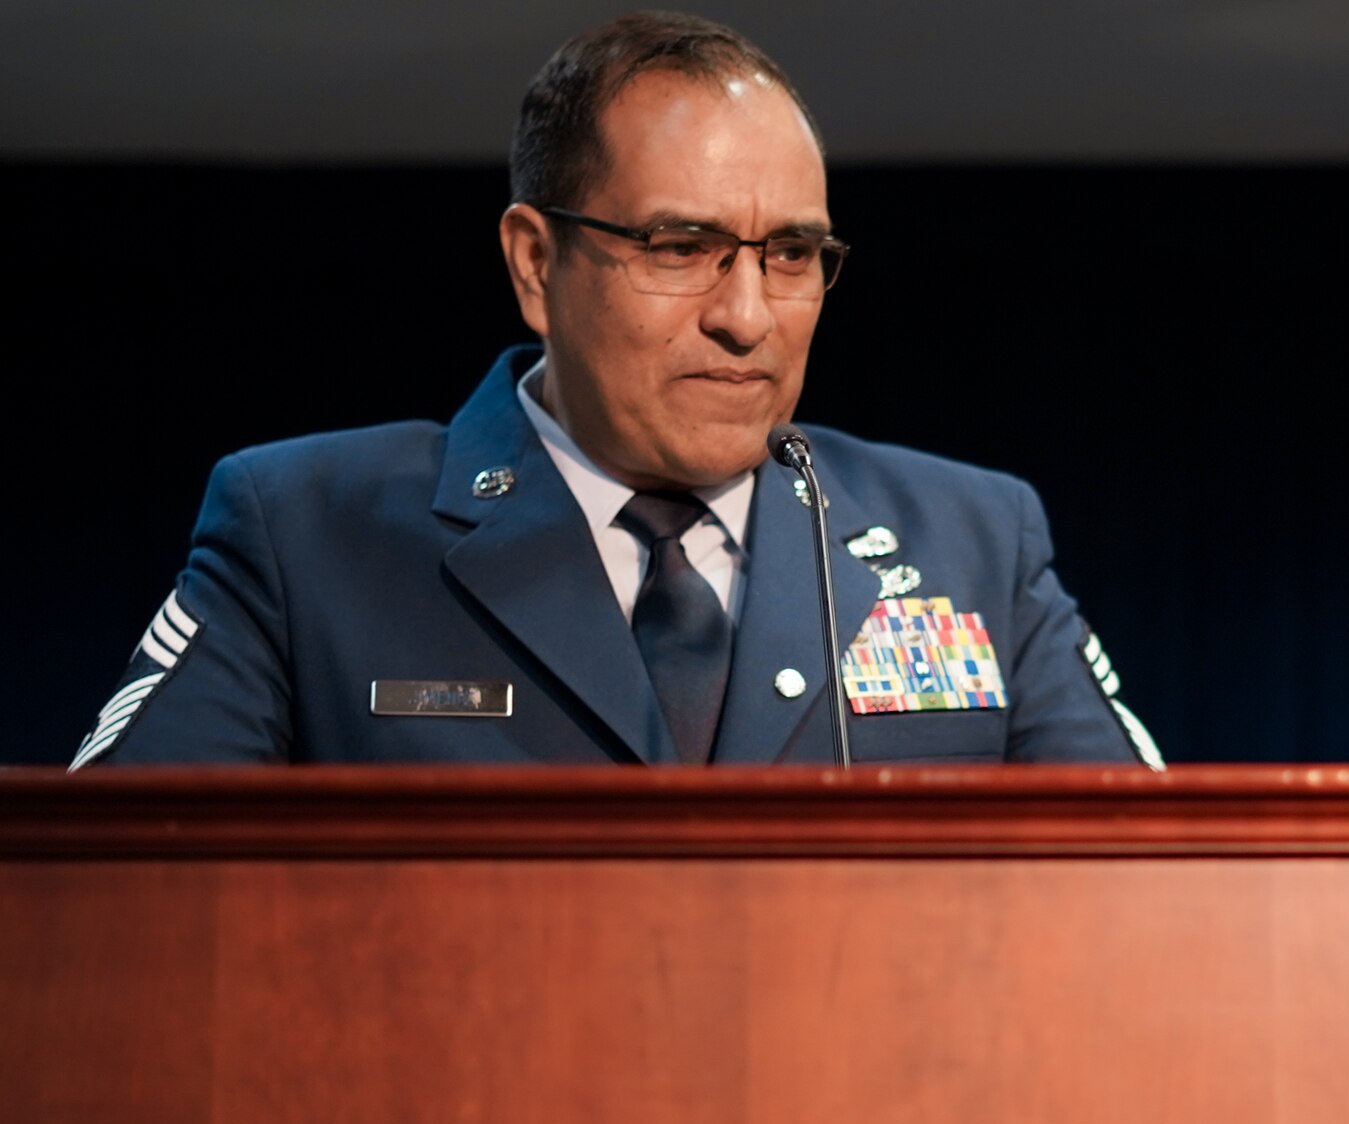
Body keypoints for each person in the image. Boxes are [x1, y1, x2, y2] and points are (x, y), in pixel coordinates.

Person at [71, 11, 1158, 769]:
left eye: (789, 254)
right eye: (681, 246)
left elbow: (1164, 890)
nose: (746, 315)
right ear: (537, 266)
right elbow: (116, 904)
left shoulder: (975, 541)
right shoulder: (305, 536)